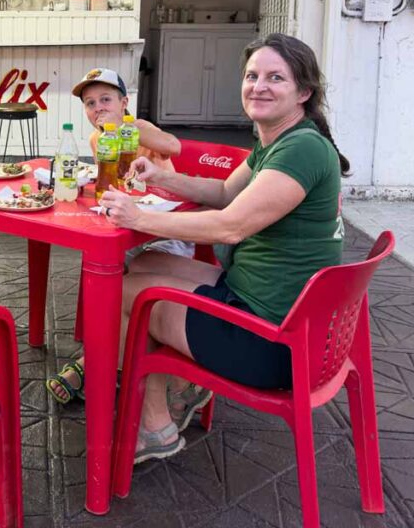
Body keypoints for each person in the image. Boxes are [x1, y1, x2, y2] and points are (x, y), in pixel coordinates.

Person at [98, 33, 349, 463]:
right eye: (252, 76)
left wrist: (139, 218)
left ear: (304, 92)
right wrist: (162, 178)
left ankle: (155, 422)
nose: (259, 86)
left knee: (123, 294)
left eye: (275, 78)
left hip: (272, 343)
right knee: (148, 261)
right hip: (280, 314)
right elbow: (223, 192)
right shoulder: (279, 141)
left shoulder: (303, 148)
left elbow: (230, 226)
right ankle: (179, 385)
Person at [45, 67, 184, 404]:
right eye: (90, 103)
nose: (98, 108)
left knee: (125, 282)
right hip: (128, 228)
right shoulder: (97, 140)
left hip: (166, 230)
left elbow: (174, 146)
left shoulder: (138, 128)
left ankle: (96, 364)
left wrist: (129, 128)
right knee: (103, 274)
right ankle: (111, 362)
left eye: (106, 99)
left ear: (124, 103)